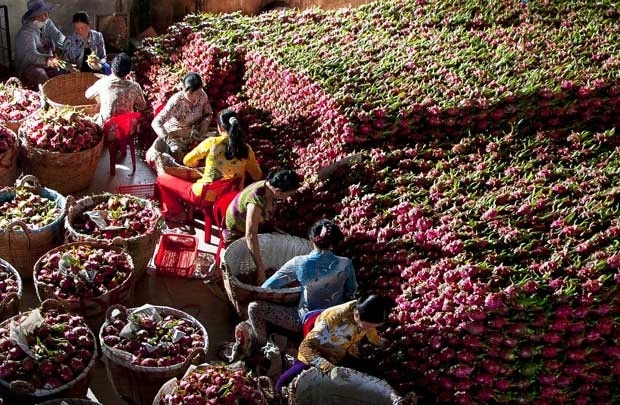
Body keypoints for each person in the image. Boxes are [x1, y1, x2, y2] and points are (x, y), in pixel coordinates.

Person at [239, 219, 357, 358]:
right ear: (334, 242)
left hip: (306, 321)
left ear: (311, 239)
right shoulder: (345, 264)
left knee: (254, 308)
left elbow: (268, 287)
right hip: (335, 322)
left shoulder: (299, 263)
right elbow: (351, 292)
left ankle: (260, 345)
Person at [156, 108, 262, 225]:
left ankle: (178, 213)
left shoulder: (212, 143)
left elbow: (187, 161)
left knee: (162, 179)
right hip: (231, 197)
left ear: (220, 127)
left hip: (203, 196)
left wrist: (196, 163)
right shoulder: (246, 149)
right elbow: (257, 176)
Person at [275, 294, 394, 391]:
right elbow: (305, 347)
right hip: (319, 349)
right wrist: (328, 368)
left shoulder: (366, 312)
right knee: (286, 383)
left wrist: (380, 342)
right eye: (367, 326)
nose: (368, 329)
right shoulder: (334, 319)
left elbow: (370, 331)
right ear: (357, 315)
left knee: (374, 377)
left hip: (344, 351)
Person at [223, 169, 302, 284]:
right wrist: (260, 269)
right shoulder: (256, 199)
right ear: (279, 192)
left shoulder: (269, 186)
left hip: (257, 226)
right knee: (249, 271)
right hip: (236, 232)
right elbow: (250, 235)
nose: (288, 198)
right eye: (288, 195)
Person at [146, 72, 213, 164]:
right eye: (192, 93)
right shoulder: (176, 101)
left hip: (194, 133)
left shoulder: (202, 95)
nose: (195, 97)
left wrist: (204, 125)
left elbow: (208, 114)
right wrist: (171, 142)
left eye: (198, 93)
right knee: (170, 160)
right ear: (185, 90)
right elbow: (156, 122)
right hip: (176, 134)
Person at [85, 53, 147, 126]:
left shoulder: (103, 82)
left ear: (112, 69)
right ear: (128, 72)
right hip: (126, 128)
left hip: (105, 128)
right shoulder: (135, 86)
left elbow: (88, 95)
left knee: (94, 117)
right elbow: (142, 106)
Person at [14, 0, 65, 87]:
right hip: (28, 64)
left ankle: (61, 91)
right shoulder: (26, 33)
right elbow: (30, 55)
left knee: (62, 70)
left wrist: (69, 45)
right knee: (41, 75)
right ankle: (47, 95)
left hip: (47, 60)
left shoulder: (47, 23)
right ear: (33, 17)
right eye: (40, 15)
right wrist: (47, 60)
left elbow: (58, 36)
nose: (45, 17)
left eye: (46, 13)